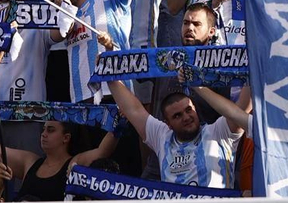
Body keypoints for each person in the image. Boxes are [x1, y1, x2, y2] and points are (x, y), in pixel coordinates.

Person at [106, 81, 251, 189]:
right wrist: (108, 73)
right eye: (177, 116)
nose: (186, 117)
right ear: (167, 123)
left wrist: (255, 57)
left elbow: (241, 109)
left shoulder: (219, 132)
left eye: (189, 110)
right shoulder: (162, 136)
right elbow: (133, 110)